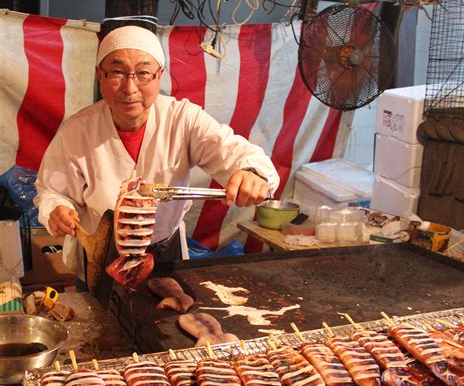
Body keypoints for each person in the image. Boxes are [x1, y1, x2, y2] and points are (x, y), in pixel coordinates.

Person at [34, 25, 280, 281]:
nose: (130, 88)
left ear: (159, 75)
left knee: (170, 316)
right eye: (117, 72)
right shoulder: (77, 131)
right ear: (100, 75)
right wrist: (57, 209)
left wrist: (252, 172)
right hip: (101, 253)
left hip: (164, 252)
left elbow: (238, 153)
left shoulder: (183, 119)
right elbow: (52, 192)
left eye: (143, 73)